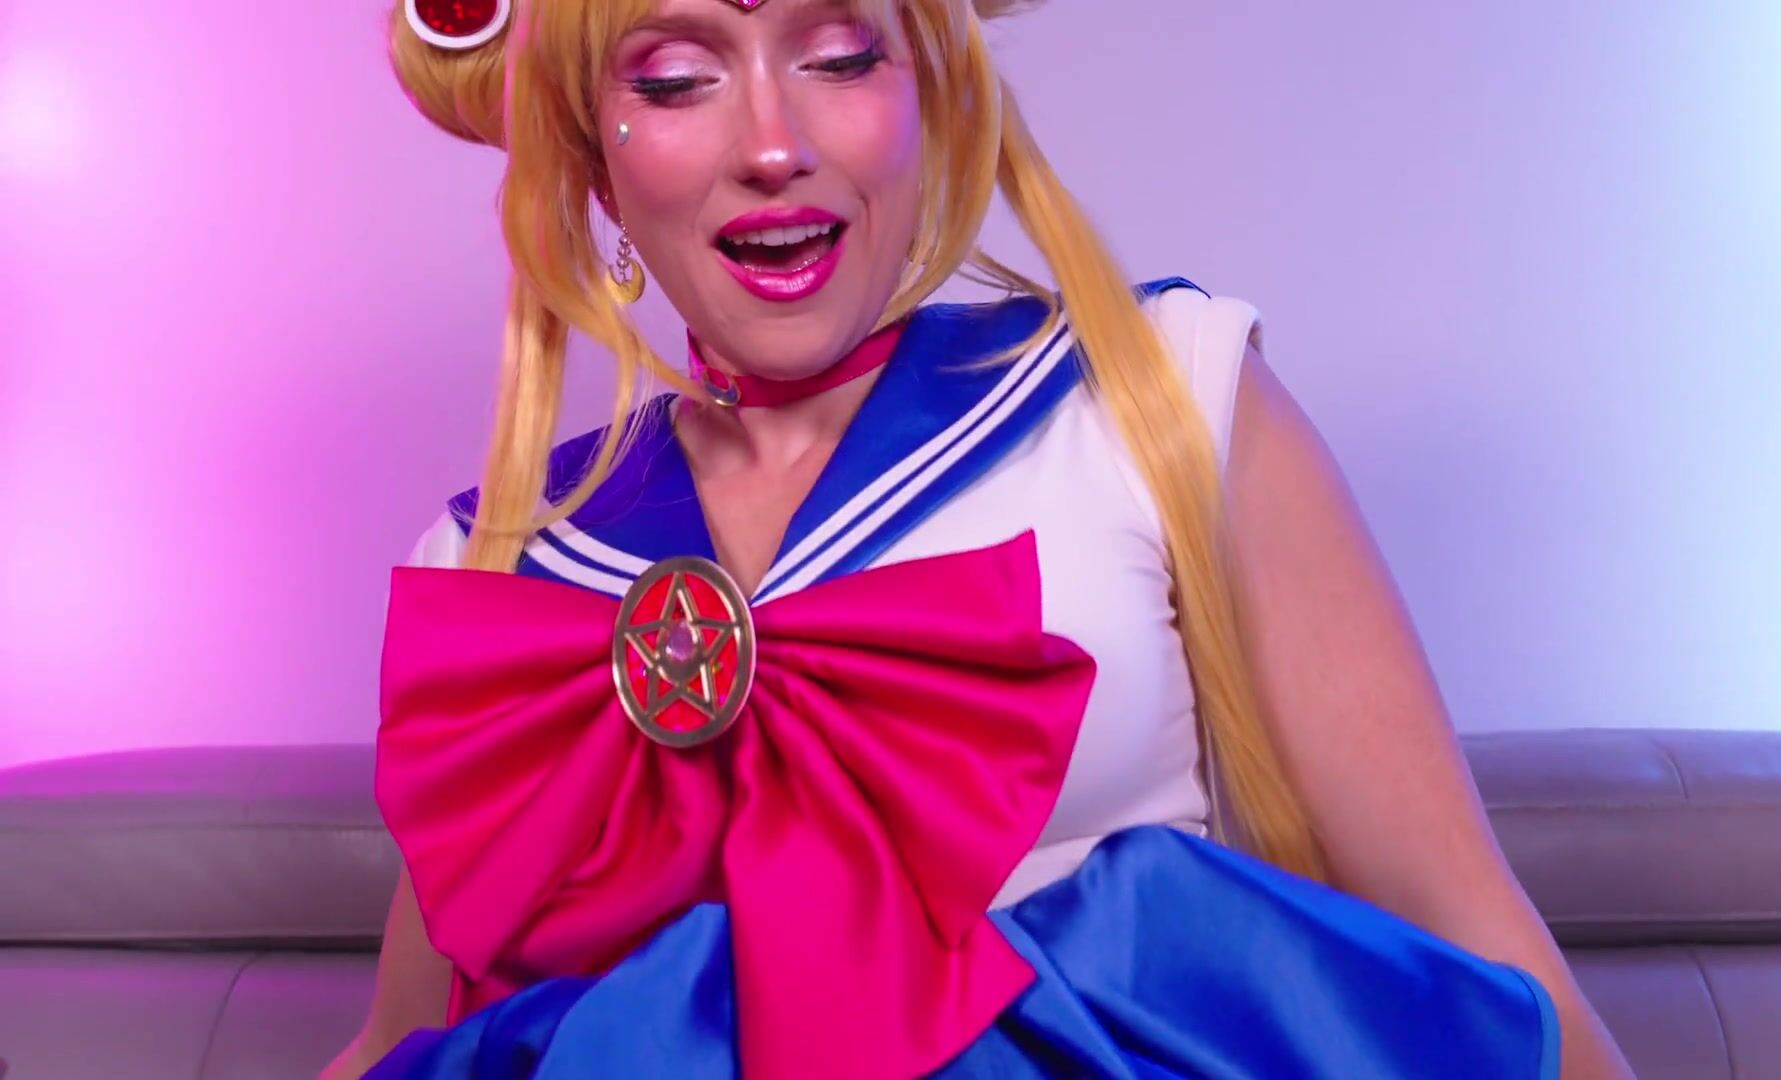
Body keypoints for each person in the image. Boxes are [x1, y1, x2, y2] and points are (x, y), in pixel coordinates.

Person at [326, 0, 1635, 1076]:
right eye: (674, 79)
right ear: (588, 148)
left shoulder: (1161, 398)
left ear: (931, 85)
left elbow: (1490, 968)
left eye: (840, 54)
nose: (773, 143)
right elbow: (403, 1042)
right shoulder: (498, 571)